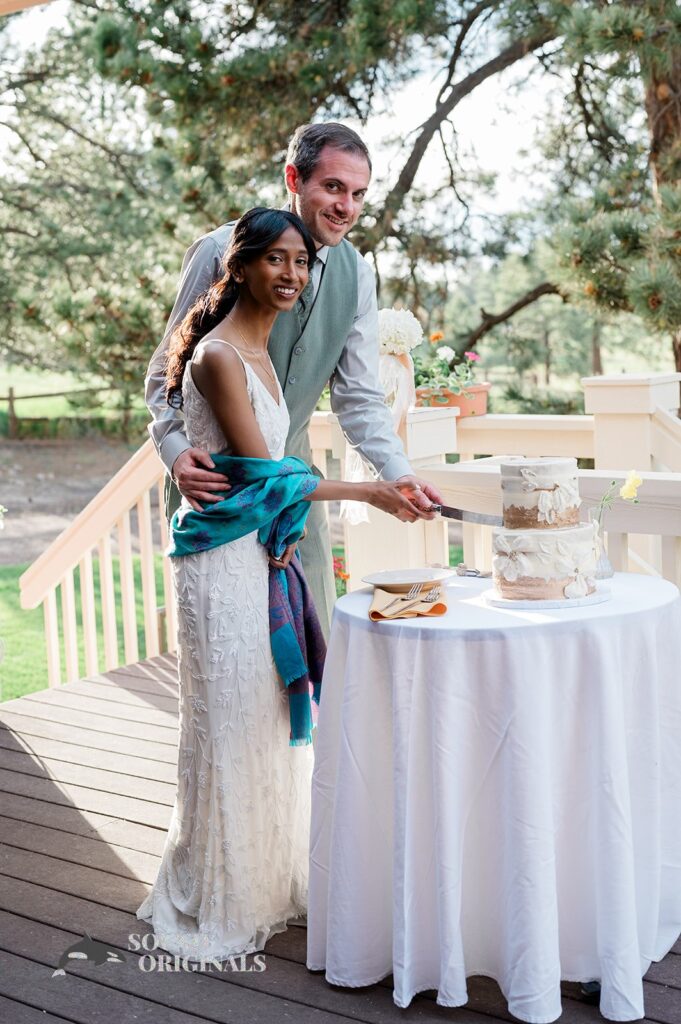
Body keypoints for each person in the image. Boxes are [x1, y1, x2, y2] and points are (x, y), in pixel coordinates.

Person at [136, 207, 430, 961]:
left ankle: (263, 879)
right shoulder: (220, 359)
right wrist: (367, 493)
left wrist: (381, 474)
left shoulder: (260, 352)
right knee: (228, 722)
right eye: (275, 260)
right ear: (237, 266)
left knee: (263, 718)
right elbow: (266, 476)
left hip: (255, 553)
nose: (292, 274)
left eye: (300, 263)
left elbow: (313, 440)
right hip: (218, 561)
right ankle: (219, 889)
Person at [145, 121, 444, 638]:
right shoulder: (222, 250)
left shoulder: (359, 276)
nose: (346, 207)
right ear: (294, 179)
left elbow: (359, 399)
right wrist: (173, 451)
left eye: (357, 194)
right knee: (227, 649)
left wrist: (400, 474)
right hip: (216, 495)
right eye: (332, 187)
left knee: (311, 646)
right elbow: (164, 370)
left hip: (299, 494)